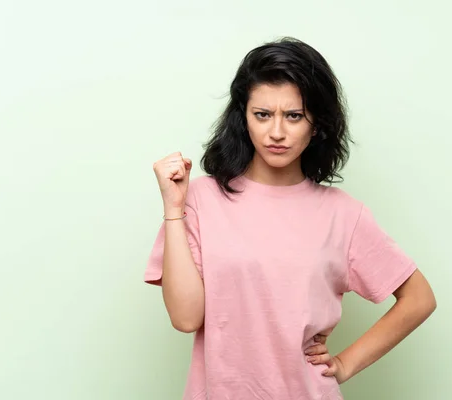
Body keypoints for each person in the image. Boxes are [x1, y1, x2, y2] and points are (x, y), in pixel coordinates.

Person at [145, 37, 436, 400]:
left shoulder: (343, 214)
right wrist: (174, 210)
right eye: (262, 115)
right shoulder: (201, 200)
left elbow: (419, 298)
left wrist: (346, 363)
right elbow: (186, 319)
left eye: (294, 116)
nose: (277, 132)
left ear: (316, 124)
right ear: (244, 119)